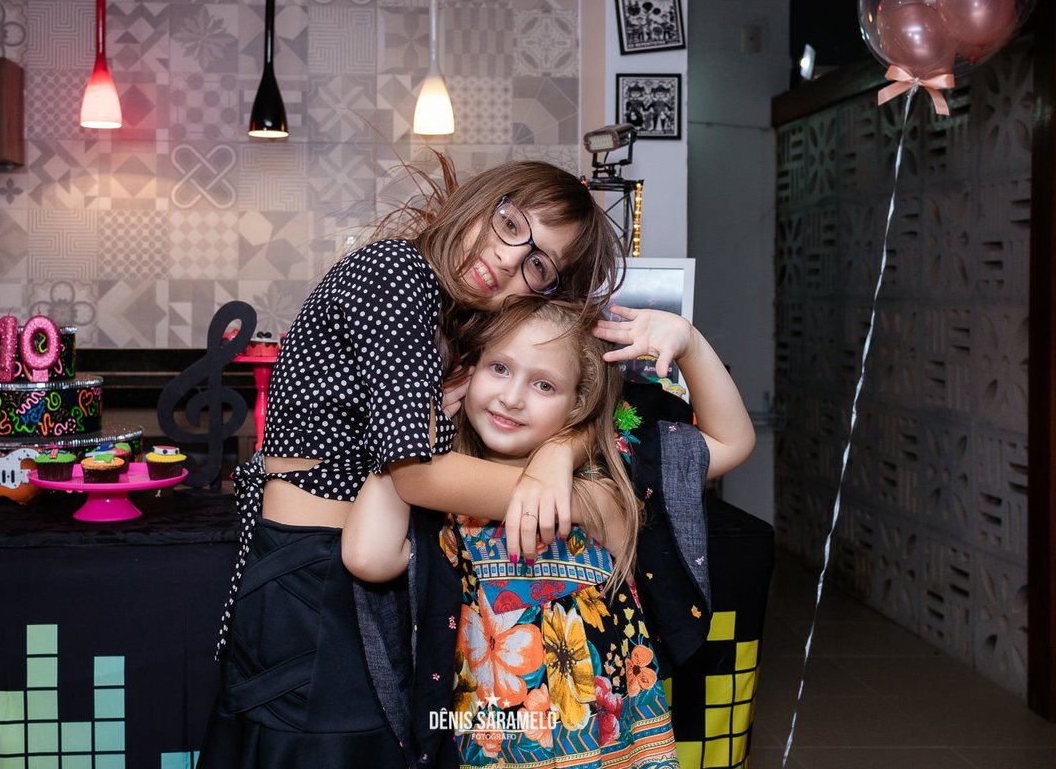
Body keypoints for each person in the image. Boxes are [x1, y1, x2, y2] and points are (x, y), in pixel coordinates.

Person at [197, 156, 626, 769]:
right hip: (311, 582)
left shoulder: (445, 312)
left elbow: (593, 402)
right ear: (481, 202)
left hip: (351, 570)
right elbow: (416, 474)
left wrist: (561, 451)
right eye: (510, 225)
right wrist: (580, 500)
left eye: (538, 265)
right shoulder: (396, 273)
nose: (509, 259)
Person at [342, 298, 754, 767]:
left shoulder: (611, 471)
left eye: (544, 384)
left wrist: (690, 342)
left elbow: (732, 441)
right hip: (495, 746)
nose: (512, 397)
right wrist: (408, 434)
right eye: (499, 368)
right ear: (468, 370)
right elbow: (367, 556)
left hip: (614, 749)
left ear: (578, 402)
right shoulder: (440, 494)